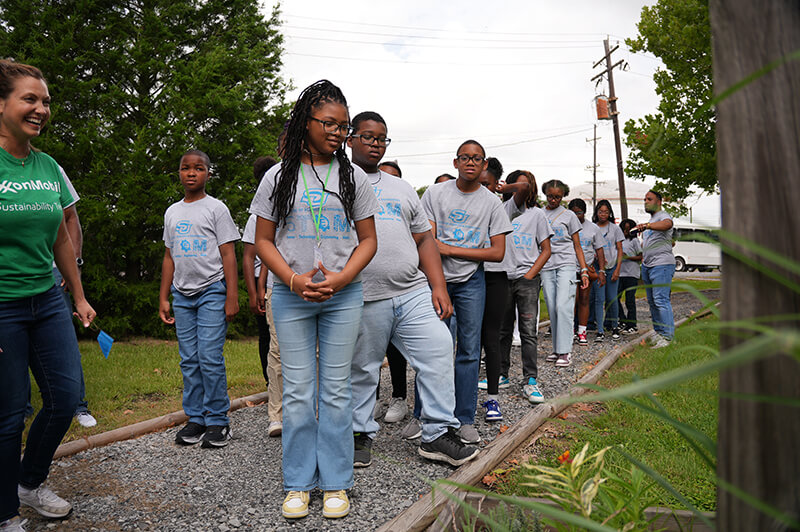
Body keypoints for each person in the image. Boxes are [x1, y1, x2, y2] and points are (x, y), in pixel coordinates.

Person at [250, 80, 378, 520]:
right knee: (300, 392)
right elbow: (263, 241)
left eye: (345, 126)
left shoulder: (353, 176)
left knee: (337, 391)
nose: (339, 133)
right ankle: (299, 484)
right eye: (330, 123)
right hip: (291, 295)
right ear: (306, 121)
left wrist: (342, 279)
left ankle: (337, 482)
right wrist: (290, 279)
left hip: (343, 296)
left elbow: (368, 241)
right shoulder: (277, 177)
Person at [347, 111, 478, 468]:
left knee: (438, 349)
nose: (375, 144)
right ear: (350, 139)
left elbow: (424, 239)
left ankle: (436, 434)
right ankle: (358, 432)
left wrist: (439, 286)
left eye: (382, 138)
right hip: (363, 294)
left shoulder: (402, 188)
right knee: (363, 368)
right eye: (368, 136)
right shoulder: (338, 183)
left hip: (411, 291)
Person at [0, 59, 96, 530]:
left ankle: (29, 482)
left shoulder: (47, 166)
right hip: (2, 306)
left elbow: (60, 236)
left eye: (46, 102)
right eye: (30, 99)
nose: (41, 109)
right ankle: (3, 514)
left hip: (47, 299)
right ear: (1, 104)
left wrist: (77, 296)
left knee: (64, 397)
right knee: (8, 413)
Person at [421, 140, 512, 444]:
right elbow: (427, 241)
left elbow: (498, 252)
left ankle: (463, 418)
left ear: (485, 165)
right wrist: (447, 255)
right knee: (434, 350)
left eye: (477, 159)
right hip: (438, 279)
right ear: (455, 162)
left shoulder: (491, 203)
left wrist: (451, 249)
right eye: (465, 158)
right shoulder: (435, 194)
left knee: (469, 351)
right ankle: (425, 416)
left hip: (472, 281)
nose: (471, 163)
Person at [159, 149, 240, 449]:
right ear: (178, 173)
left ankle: (218, 420)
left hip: (211, 291)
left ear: (208, 173)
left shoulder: (216, 209)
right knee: (189, 360)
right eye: (185, 168)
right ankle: (196, 418)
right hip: (182, 294)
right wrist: (164, 296)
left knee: (209, 357)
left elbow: (228, 253)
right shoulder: (172, 212)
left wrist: (232, 295)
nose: (191, 173)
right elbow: (169, 256)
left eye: (198, 168)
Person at [478, 159, 530, 422]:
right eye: (480, 183)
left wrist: (503, 188)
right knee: (469, 339)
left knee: (494, 337)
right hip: (472, 276)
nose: (482, 188)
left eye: (487, 184)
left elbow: (525, 186)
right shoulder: (468, 205)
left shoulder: (504, 207)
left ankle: (493, 399)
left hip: (498, 277)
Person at [497, 171, 553, 404]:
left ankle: (530, 380)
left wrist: (531, 274)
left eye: (527, 183)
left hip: (527, 279)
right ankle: (501, 374)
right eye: (518, 182)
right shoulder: (501, 210)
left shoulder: (537, 214)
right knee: (502, 331)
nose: (523, 186)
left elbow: (546, 249)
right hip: (502, 277)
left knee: (529, 331)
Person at [243, 156, 283, 437]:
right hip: (272, 286)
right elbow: (253, 254)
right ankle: (276, 406)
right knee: (273, 346)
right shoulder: (258, 214)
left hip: (304, 283)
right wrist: (257, 287)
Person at [540, 180, 590, 367]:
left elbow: (577, 246)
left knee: (563, 306)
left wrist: (583, 270)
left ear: (563, 196)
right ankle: (556, 349)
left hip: (567, 264)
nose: (554, 200)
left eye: (558, 197)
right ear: (545, 194)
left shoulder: (569, 216)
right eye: (550, 196)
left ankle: (566, 351)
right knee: (552, 307)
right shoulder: (539, 213)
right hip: (546, 265)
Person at [636, 190, 675, 348]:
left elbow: (668, 224)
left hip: (662, 265)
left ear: (659, 202)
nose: (645, 201)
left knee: (661, 300)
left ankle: (668, 337)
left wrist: (647, 226)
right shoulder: (652, 221)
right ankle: (659, 332)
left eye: (649, 199)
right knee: (652, 301)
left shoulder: (663, 216)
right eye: (644, 199)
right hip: (648, 265)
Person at [568, 198, 605, 347]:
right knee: (571, 301)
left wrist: (601, 270)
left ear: (585, 212)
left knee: (584, 299)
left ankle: (582, 332)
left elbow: (600, 250)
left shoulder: (593, 228)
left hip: (587, 269)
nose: (577, 216)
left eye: (579, 213)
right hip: (569, 268)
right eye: (573, 213)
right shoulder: (566, 227)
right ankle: (569, 331)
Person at [591, 200, 624, 341]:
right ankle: (600, 330)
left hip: (612, 268)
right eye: (600, 211)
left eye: (606, 211)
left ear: (610, 213)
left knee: (612, 299)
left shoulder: (615, 229)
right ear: (596, 213)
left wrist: (617, 269)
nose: (603, 214)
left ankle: (615, 326)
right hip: (598, 269)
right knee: (599, 299)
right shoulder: (592, 228)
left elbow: (620, 250)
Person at [618, 219, 642, 333]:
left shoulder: (635, 241)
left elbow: (640, 257)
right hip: (620, 274)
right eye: (624, 229)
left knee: (629, 300)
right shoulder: (619, 241)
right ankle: (623, 320)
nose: (626, 231)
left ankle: (632, 324)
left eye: (628, 229)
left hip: (631, 274)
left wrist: (628, 257)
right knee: (614, 298)